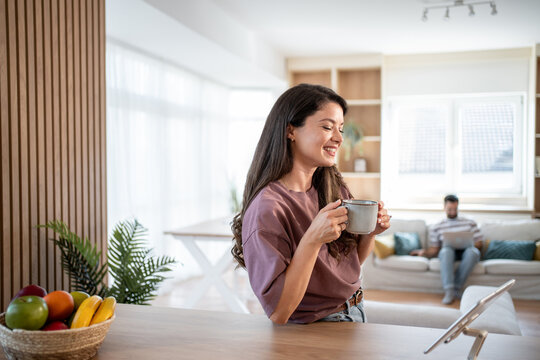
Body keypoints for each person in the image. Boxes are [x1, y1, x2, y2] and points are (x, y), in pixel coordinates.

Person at [231, 84, 390, 324]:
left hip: (355, 309)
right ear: (291, 131)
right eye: (327, 127)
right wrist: (313, 239)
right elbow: (279, 312)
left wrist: (370, 233)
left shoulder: (331, 187)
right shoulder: (268, 208)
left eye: (340, 129)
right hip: (320, 326)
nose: (338, 138)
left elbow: (348, 266)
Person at [409, 195, 483, 304]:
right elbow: (435, 249)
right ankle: (449, 291)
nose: (453, 212)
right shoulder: (437, 226)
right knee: (446, 251)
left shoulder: (470, 222)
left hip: (466, 252)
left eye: (455, 209)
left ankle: (456, 288)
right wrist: (423, 252)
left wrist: (469, 244)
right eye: (450, 209)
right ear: (444, 207)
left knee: (473, 252)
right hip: (448, 253)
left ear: (458, 206)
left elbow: (479, 243)